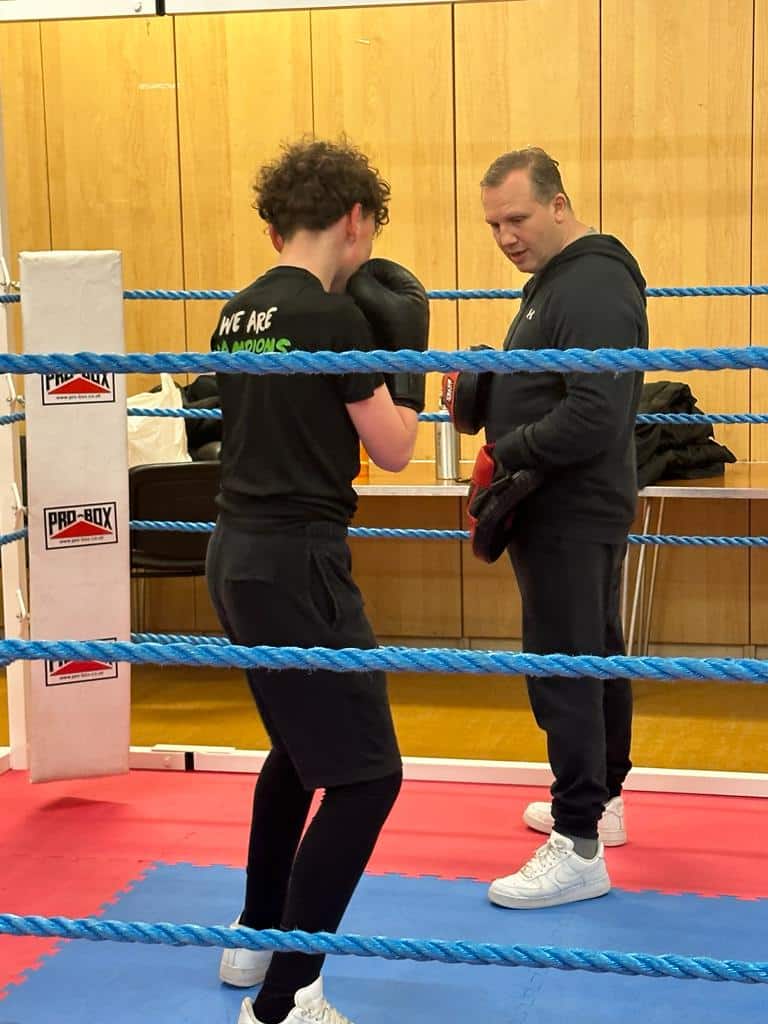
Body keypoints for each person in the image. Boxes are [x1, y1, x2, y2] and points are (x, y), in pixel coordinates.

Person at [206, 137, 429, 1024]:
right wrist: (406, 360)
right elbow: (397, 449)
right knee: (369, 776)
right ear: (355, 219)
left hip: (236, 553)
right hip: (300, 559)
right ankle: (288, 997)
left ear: (273, 229)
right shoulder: (337, 320)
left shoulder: (234, 313)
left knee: (300, 753)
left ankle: (256, 931)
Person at [470, 147, 648, 909]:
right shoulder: (552, 286)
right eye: (494, 224)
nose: (506, 235)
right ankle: (599, 802)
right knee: (589, 654)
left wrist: (504, 451)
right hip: (555, 505)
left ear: (559, 204)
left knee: (565, 667)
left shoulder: (596, 283)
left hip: (572, 506)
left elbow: (595, 412)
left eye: (517, 218)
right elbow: (551, 388)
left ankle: (577, 844)